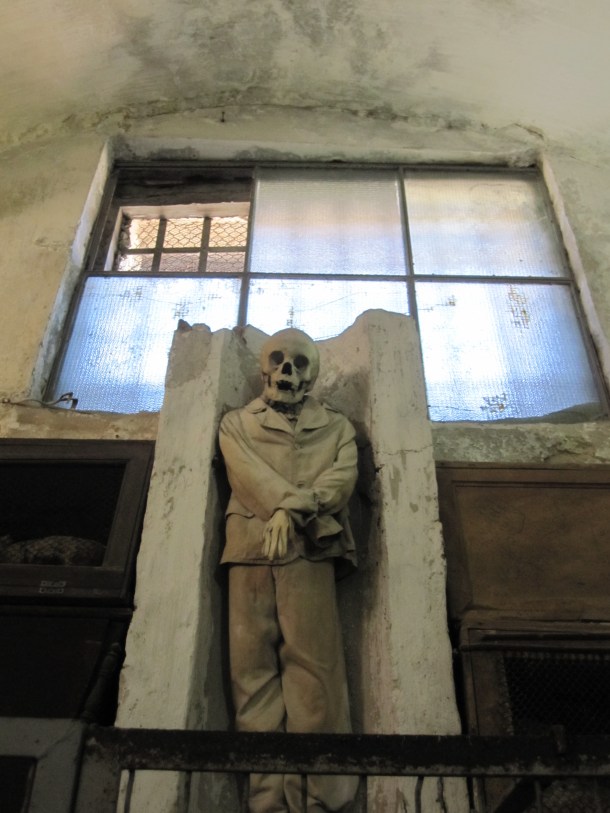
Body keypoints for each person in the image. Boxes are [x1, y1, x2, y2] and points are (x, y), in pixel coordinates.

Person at [218, 328, 358, 813]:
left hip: (309, 549)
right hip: (249, 550)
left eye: (298, 364)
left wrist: (289, 512)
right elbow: (245, 473)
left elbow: (340, 481)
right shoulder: (236, 424)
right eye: (278, 361)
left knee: (314, 675)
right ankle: (267, 803)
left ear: (312, 375)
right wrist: (284, 505)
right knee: (251, 677)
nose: (286, 371)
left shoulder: (338, 429)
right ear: (263, 367)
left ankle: (319, 801)